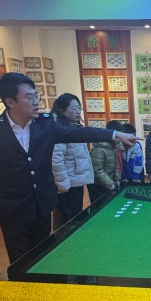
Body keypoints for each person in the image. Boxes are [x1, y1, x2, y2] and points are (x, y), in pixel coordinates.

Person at [0, 73, 139, 263]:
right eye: (29, 97)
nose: (36, 102)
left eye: (36, 95)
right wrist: (3, 190)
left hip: (42, 204)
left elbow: (77, 133)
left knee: (42, 254)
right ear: (10, 102)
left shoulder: (45, 124)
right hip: (12, 210)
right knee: (20, 261)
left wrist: (115, 134)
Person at [51, 93, 94, 228]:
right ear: (62, 111)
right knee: (65, 220)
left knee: (74, 217)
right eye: (74, 108)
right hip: (67, 185)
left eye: (79, 108)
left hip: (76, 182)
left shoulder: (75, 128)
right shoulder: (59, 131)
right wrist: (63, 186)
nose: (78, 112)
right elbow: (56, 161)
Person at [88, 120, 123, 204]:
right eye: (119, 137)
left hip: (108, 183)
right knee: (99, 206)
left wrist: (117, 179)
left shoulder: (113, 147)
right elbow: (97, 170)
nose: (121, 139)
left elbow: (116, 165)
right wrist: (109, 184)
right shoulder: (98, 150)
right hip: (97, 185)